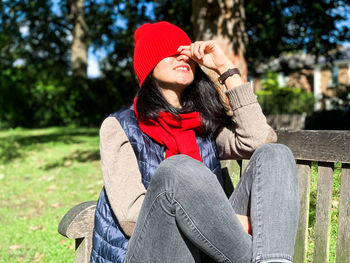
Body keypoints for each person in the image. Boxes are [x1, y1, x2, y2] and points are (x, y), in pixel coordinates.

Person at [90, 21, 299, 263]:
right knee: (177, 169)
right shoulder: (120, 126)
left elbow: (259, 140)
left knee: (276, 154)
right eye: (168, 52)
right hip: (147, 250)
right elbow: (130, 217)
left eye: (185, 51)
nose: (181, 57)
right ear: (148, 66)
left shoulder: (202, 122)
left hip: (212, 248)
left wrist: (226, 69)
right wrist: (228, 222)